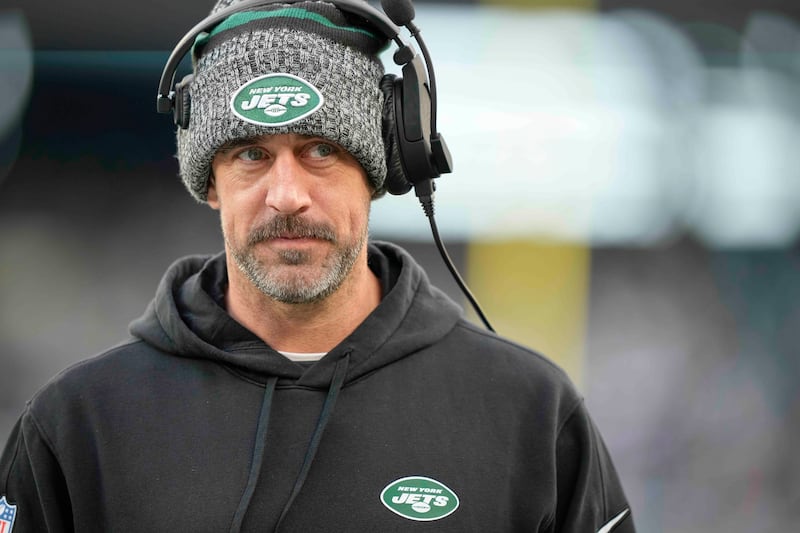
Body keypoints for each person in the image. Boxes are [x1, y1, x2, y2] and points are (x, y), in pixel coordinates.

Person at [0, 0, 635, 531]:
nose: (287, 194)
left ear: (382, 166)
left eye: (321, 150)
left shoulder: (531, 415)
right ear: (209, 183)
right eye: (251, 154)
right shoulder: (75, 425)